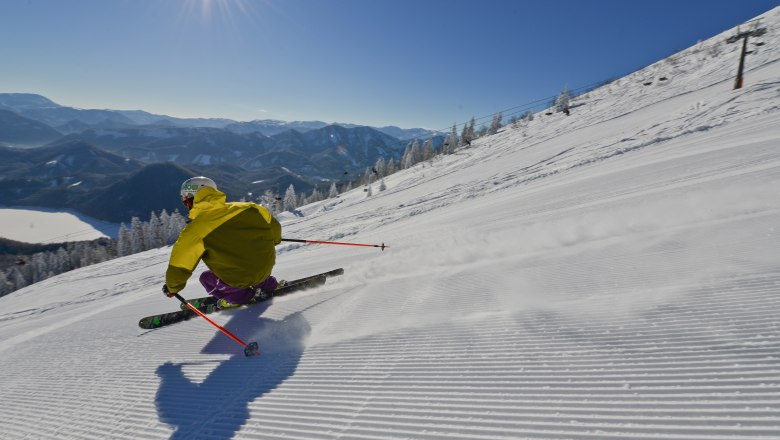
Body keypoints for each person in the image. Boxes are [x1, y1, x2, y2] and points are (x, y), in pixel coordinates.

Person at [162, 176, 282, 308]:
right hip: (266, 267)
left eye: (185, 201)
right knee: (250, 261)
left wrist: (172, 288)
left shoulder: (194, 232)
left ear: (191, 200)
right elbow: (275, 230)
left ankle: (239, 297)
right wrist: (272, 241)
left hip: (238, 279)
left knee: (206, 279)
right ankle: (270, 285)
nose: (186, 205)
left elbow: (179, 267)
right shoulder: (250, 208)